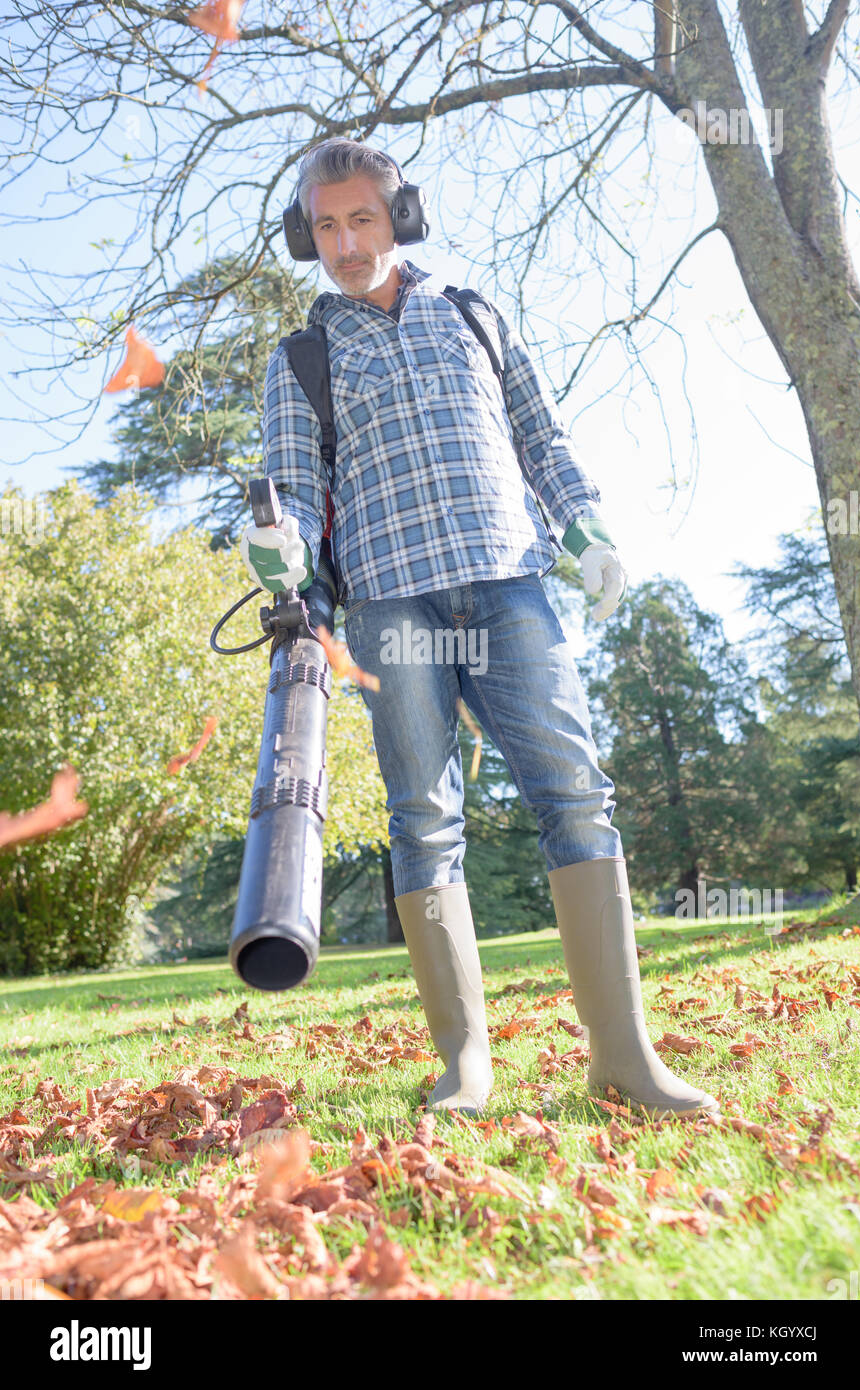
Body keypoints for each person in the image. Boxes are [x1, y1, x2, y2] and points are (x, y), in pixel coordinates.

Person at [242, 137, 720, 1120]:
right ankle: (466, 1064)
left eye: (361, 218)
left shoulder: (472, 315)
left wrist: (584, 524)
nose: (345, 242)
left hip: (511, 581)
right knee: (424, 817)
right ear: (306, 235)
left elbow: (540, 434)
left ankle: (624, 1057)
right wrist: (278, 548)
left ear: (399, 215)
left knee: (576, 793)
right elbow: (291, 487)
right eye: (325, 226)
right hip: (388, 600)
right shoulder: (302, 359)